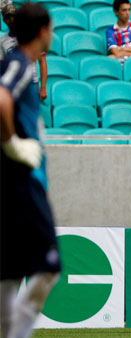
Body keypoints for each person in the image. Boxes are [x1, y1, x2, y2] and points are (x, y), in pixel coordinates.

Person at [0, 4, 61, 338]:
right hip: (23, 182)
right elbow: (1, 98)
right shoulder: (20, 64)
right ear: (42, 31)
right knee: (49, 266)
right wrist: (12, 145)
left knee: (9, 273)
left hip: (15, 181)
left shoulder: (14, 64)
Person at [0, 5, 48, 101]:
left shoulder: (31, 35)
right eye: (8, 17)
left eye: (14, 16)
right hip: (12, 84)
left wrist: (43, 88)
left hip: (31, 83)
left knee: (30, 114)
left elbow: (42, 61)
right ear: (4, 20)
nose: (11, 19)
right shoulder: (2, 41)